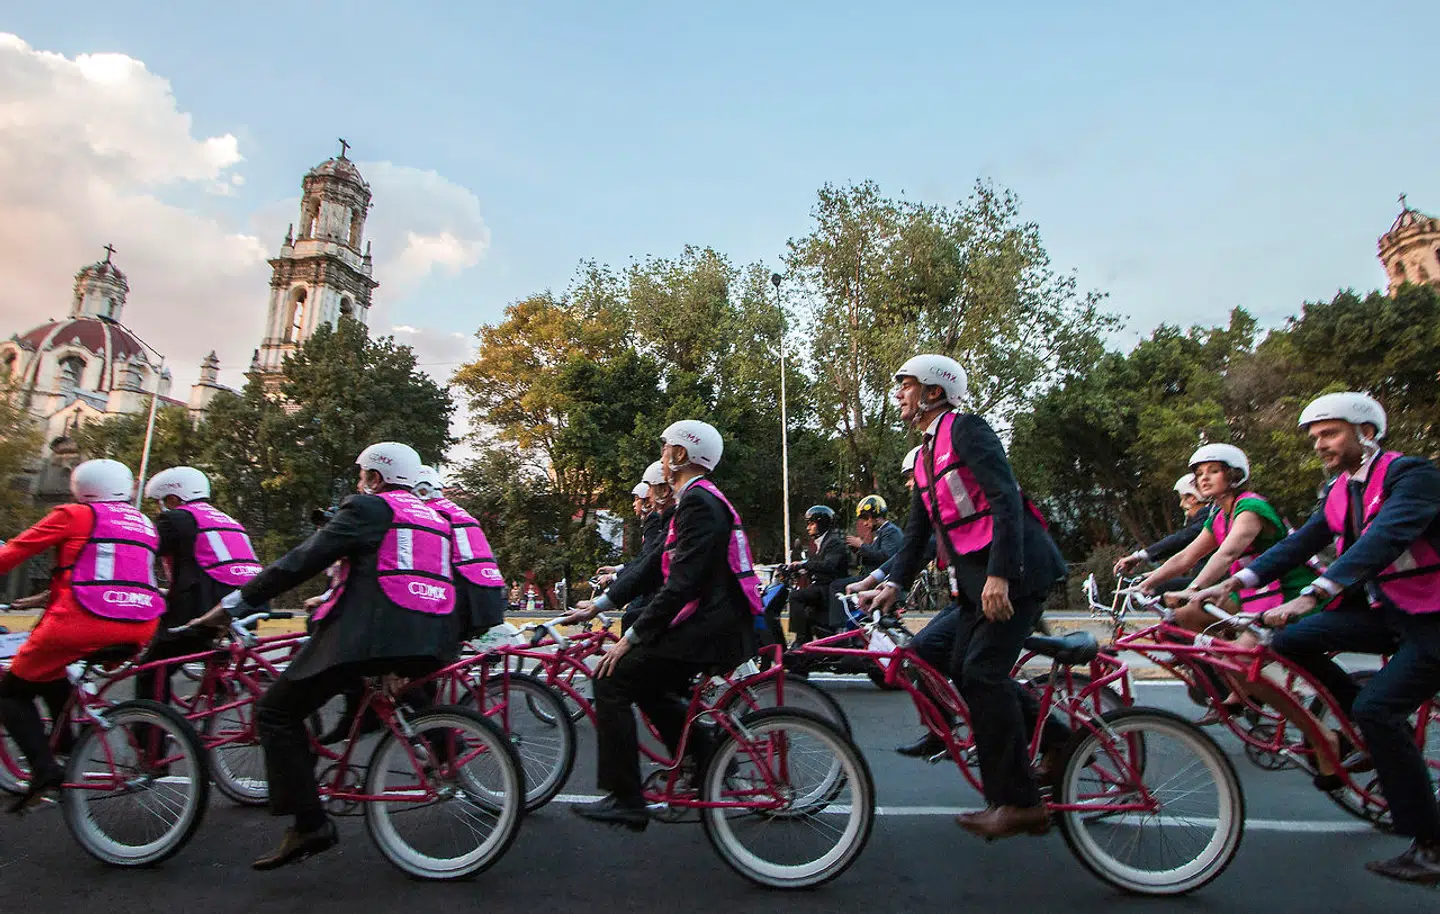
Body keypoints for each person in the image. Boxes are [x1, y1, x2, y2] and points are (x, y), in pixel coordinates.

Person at [1185, 392, 1440, 885]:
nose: (1320, 444)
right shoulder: (1340, 489)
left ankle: (1430, 844)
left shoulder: (1413, 476)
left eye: (1330, 433)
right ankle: (1355, 719)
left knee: (1378, 710)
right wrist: (1235, 583)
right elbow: (1299, 544)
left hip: (1432, 618)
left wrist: (1312, 594)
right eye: (1315, 437)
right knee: (1288, 642)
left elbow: (1382, 539)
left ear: (1366, 432)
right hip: (1386, 612)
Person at [187, 442, 456, 870]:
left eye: (362, 474)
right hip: (430, 637)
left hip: (370, 638)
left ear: (376, 477)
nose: (359, 482)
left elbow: (301, 561)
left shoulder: (368, 509)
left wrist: (235, 604)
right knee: (361, 692)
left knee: (275, 712)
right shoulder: (435, 517)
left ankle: (309, 822)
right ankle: (412, 741)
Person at [857, 354, 1066, 840]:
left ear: (933, 392)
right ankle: (1059, 739)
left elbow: (1005, 499)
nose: (898, 394)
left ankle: (1018, 803)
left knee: (982, 674)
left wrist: (1000, 576)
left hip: (1016, 574)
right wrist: (893, 584)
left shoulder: (967, 429)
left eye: (905, 385)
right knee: (949, 663)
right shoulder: (928, 454)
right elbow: (916, 533)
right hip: (976, 585)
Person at [565, 420, 762, 830]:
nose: (661, 456)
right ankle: (708, 761)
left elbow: (680, 583)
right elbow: (652, 566)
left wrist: (630, 638)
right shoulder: (694, 500)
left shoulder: (697, 503)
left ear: (680, 455)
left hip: (715, 628)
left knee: (612, 677)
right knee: (648, 684)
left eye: (665, 448)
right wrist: (599, 605)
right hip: (713, 622)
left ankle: (626, 798)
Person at [0, 459, 164, 812]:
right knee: (49, 671)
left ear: (81, 489)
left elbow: (13, 553)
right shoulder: (143, 523)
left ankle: (44, 770)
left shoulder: (74, 514)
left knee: (10, 692)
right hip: (141, 622)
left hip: (84, 618)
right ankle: (69, 746)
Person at [1141, 444, 1315, 630]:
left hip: (1286, 590)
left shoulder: (1250, 507)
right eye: (1199, 474)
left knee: (1243, 655)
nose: (1204, 478)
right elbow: (1186, 556)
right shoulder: (1219, 516)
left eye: (1214, 471)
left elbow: (1227, 554)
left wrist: (1193, 589)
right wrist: (1144, 585)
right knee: (1183, 617)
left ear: (1235, 474)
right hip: (1249, 590)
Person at [135, 466, 262, 709]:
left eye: (160, 502)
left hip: (203, 609)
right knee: (207, 650)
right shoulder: (228, 519)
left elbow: (143, 553)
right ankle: (217, 690)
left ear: (173, 498)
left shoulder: (176, 519)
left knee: (151, 671)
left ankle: (150, 738)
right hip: (249, 604)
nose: (158, 509)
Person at [414, 465, 506, 642]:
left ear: (421, 490)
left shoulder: (430, 515)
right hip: (490, 595)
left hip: (464, 595)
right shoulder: (457, 511)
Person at [1113, 474, 1213, 584]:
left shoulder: (1207, 515)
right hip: (1206, 583)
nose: (1181, 504)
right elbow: (1182, 559)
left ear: (1193, 498)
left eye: (1182, 499)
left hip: (1211, 585)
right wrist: (1147, 576)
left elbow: (1180, 539)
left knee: (1159, 589)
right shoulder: (1208, 516)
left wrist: (1138, 556)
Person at [828, 496, 904, 628]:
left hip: (879, 581)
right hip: (870, 577)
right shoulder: (881, 533)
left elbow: (886, 557)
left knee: (836, 586)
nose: (864, 523)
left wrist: (861, 545)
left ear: (876, 515)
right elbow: (874, 556)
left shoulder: (890, 531)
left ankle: (838, 627)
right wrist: (857, 550)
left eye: (866, 518)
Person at [785, 505, 849, 645]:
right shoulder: (820, 543)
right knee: (805, 610)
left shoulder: (834, 542)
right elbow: (816, 565)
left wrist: (803, 565)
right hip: (820, 585)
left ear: (822, 523)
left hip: (828, 587)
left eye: (812, 523)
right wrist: (799, 569)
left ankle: (801, 641)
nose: (808, 528)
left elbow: (829, 565)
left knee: (795, 597)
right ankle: (808, 644)